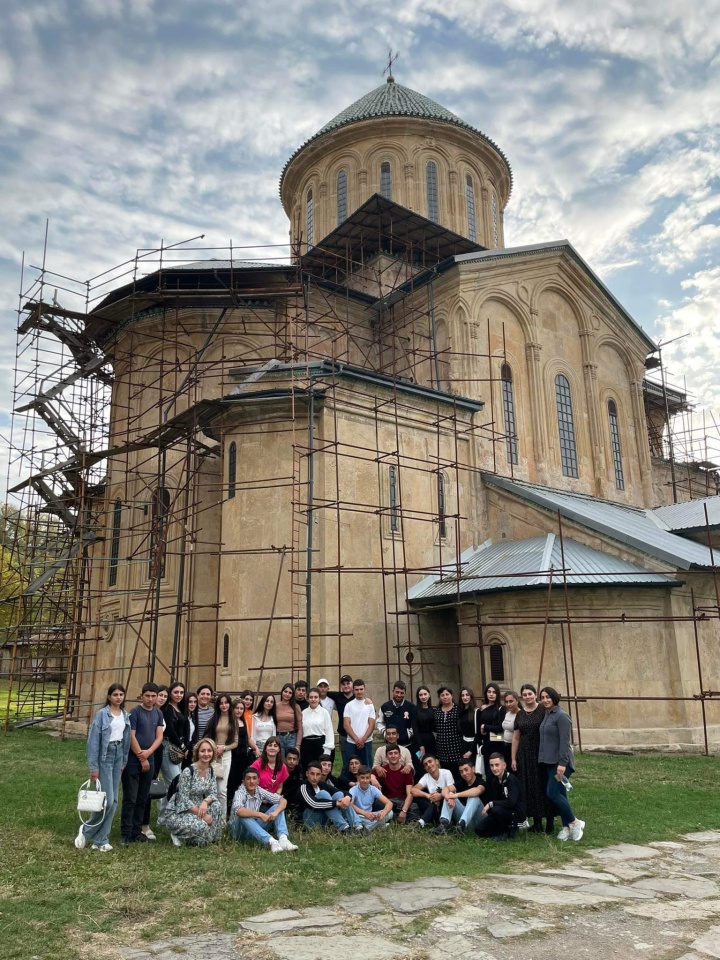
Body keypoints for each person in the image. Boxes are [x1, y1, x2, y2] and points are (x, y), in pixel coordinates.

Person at [75, 683, 130, 852]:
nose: (118, 697)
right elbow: (93, 743)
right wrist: (94, 767)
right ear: (109, 697)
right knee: (108, 800)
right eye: (115, 695)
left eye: (121, 694)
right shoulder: (102, 715)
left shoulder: (125, 715)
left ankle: (99, 839)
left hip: (118, 755)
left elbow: (126, 740)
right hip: (105, 757)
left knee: (113, 801)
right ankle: (88, 831)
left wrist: (123, 762)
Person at [120, 682, 164, 846]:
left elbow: (159, 736)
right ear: (142, 696)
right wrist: (141, 756)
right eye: (147, 696)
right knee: (130, 797)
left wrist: (149, 752)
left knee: (143, 797)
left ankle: (136, 831)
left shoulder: (158, 713)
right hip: (133, 760)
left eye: (153, 696)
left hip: (149, 757)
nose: (150, 699)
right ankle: (125, 833)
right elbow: (131, 736)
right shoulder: (135, 712)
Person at [539, 686, 585, 841]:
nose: (545, 700)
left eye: (548, 697)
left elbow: (565, 742)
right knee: (560, 793)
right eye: (542, 697)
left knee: (552, 793)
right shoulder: (547, 714)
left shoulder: (562, 716)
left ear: (554, 698)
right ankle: (566, 827)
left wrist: (562, 764)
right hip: (549, 761)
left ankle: (575, 822)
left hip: (559, 763)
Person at [162, 737, 224, 847]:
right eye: (203, 751)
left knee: (217, 805)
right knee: (202, 826)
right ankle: (178, 835)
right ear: (197, 753)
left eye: (209, 751)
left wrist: (205, 801)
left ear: (213, 753)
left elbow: (213, 793)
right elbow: (183, 801)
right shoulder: (188, 771)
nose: (206, 754)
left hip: (199, 806)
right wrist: (203, 816)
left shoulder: (211, 771)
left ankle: (209, 839)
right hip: (180, 812)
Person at [229, 768, 298, 852]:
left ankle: (283, 839)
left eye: (254, 778)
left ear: (258, 781)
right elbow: (239, 811)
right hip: (238, 833)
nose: (251, 781)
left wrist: (275, 813)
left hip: (254, 829)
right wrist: (260, 815)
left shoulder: (259, 790)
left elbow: (283, 801)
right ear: (243, 782)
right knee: (243, 815)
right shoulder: (239, 793)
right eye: (248, 778)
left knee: (277, 806)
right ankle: (271, 842)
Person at [157, 681, 190, 826]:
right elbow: (169, 729)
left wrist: (185, 746)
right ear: (170, 693)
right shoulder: (169, 709)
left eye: (181, 692)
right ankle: (166, 818)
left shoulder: (180, 708)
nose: (179, 695)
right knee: (175, 783)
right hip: (169, 748)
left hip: (177, 750)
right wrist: (183, 746)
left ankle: (164, 818)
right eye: (176, 692)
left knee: (171, 785)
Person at [474, 752, 526, 841]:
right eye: (492, 766)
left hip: (515, 813)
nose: (494, 768)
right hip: (500, 812)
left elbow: (511, 803)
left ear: (504, 765)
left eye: (497, 765)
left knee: (496, 809)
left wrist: (491, 804)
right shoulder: (495, 781)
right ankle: (500, 830)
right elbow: (496, 800)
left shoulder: (512, 780)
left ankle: (508, 830)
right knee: (479, 829)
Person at [297, 761, 358, 832]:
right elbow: (314, 804)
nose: (315, 777)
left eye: (318, 774)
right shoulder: (303, 787)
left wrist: (348, 797)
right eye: (312, 774)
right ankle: (343, 828)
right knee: (323, 794)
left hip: (323, 819)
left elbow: (340, 791)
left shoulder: (322, 784)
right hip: (308, 821)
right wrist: (336, 803)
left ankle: (358, 826)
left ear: (321, 775)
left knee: (339, 794)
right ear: (307, 774)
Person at [204, 693, 238, 815]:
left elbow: (236, 742)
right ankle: (210, 816)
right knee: (211, 788)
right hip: (211, 755)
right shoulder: (213, 719)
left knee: (222, 789)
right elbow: (206, 737)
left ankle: (222, 819)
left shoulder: (234, 720)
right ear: (218, 705)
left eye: (226, 703)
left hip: (226, 756)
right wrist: (213, 748)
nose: (224, 705)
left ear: (229, 704)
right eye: (221, 703)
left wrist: (223, 748)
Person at [141, 684, 168, 840]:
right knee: (141, 788)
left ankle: (144, 824)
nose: (160, 698)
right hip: (142, 751)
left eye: (164, 696)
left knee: (149, 786)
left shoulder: (160, 713)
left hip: (156, 752)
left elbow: (160, 736)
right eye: (160, 695)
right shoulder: (139, 712)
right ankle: (138, 823)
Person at [433, 758, 486, 834]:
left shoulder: (481, 782)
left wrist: (456, 795)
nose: (464, 773)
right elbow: (446, 789)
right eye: (461, 771)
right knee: (449, 794)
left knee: (474, 798)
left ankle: (461, 824)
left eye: (466, 770)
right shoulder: (462, 782)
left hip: (481, 821)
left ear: (473, 769)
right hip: (465, 824)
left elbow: (477, 791)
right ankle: (444, 824)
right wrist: (448, 797)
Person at [225, 697, 254, 817]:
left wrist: (256, 749)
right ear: (232, 709)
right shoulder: (229, 722)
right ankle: (228, 810)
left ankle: (239, 808)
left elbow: (248, 738)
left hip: (243, 757)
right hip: (232, 756)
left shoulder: (243, 721)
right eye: (236, 708)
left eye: (241, 708)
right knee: (230, 783)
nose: (239, 710)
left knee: (240, 783)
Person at [373, 744, 416, 823]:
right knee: (378, 803)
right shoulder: (382, 771)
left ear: (400, 756)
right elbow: (367, 775)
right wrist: (372, 777)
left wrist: (404, 810)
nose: (393, 756)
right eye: (390, 753)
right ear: (386, 757)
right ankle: (397, 818)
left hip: (402, 802)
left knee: (415, 807)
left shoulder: (406, 771)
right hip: (388, 802)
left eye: (396, 753)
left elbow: (410, 793)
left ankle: (393, 817)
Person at [410, 754, 454, 828]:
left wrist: (440, 796)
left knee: (447, 796)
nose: (429, 765)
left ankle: (421, 822)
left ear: (436, 761)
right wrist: (428, 796)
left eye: (430, 761)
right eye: (426, 764)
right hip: (435, 807)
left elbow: (452, 790)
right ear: (425, 768)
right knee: (419, 797)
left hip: (448, 806)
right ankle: (425, 822)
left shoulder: (446, 773)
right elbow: (413, 790)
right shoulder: (426, 777)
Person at [300, 687, 335, 768]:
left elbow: (329, 731)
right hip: (306, 746)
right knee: (307, 768)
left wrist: (327, 751)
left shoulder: (324, 713)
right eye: (311, 697)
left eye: (315, 697)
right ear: (307, 699)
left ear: (319, 699)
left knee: (320, 770)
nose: (313, 699)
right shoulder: (303, 713)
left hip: (320, 745)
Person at [343, 678, 375, 767]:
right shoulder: (349, 705)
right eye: (357, 689)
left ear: (364, 689)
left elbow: (372, 724)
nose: (359, 691)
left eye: (361, 689)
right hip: (352, 742)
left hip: (367, 741)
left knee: (367, 767)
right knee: (351, 768)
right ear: (353, 690)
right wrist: (357, 739)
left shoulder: (370, 705)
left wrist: (363, 739)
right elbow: (346, 725)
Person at [350, 766, 394, 831]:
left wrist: (382, 814)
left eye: (367, 778)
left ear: (370, 778)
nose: (365, 781)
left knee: (390, 812)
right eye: (362, 778)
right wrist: (365, 813)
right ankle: (377, 825)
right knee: (352, 817)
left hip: (371, 816)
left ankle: (368, 827)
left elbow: (389, 803)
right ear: (358, 778)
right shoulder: (353, 790)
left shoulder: (373, 789)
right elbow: (350, 804)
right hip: (359, 815)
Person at [433, 686, 463, 780]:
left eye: (447, 694)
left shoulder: (458, 709)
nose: (445, 697)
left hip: (456, 747)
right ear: (439, 697)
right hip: (442, 749)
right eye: (442, 695)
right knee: (446, 774)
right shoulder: (437, 711)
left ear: (451, 695)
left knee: (458, 774)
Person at [376, 680, 417, 750]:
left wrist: (408, 734)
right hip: (389, 747)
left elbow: (415, 724)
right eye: (397, 692)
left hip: (407, 746)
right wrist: (385, 733)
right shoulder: (385, 707)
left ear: (405, 693)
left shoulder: (411, 707)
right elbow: (379, 722)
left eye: (402, 693)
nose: (399, 695)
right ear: (393, 691)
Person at [478, 683, 505, 778]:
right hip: (486, 743)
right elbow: (479, 725)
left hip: (498, 743)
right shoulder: (482, 708)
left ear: (497, 694)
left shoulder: (501, 709)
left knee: (499, 772)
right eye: (489, 692)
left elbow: (500, 727)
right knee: (488, 772)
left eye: (494, 692)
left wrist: (485, 726)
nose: (491, 694)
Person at [276, 683, 303, 755]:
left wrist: (298, 745)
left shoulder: (296, 707)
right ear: (282, 692)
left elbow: (300, 728)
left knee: (291, 759)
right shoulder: (276, 706)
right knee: (280, 760)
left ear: (292, 695)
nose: (287, 694)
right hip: (279, 737)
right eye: (285, 691)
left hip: (291, 737)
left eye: (290, 693)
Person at [458, 686, 479, 765]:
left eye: (467, 695)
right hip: (464, 745)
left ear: (471, 697)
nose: (465, 697)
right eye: (462, 695)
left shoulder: (476, 712)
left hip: (473, 746)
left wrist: (471, 751)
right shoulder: (461, 712)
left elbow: (478, 733)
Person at [283, 747, 305, 821]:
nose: (292, 761)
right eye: (289, 758)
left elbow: (301, 785)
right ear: (285, 759)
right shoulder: (280, 769)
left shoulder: (299, 769)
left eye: (294, 759)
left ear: (297, 760)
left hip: (295, 798)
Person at [415, 686, 435, 763]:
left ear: (429, 695)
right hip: (418, 742)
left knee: (431, 764)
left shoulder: (433, 710)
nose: (423, 697)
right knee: (420, 763)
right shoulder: (414, 710)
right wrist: (421, 746)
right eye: (420, 695)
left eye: (425, 694)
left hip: (430, 741)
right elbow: (415, 729)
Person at [502, 690, 520, 766]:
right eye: (506, 702)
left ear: (517, 701)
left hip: (515, 747)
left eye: (511, 701)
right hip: (505, 745)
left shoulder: (520, 714)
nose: (508, 704)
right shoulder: (507, 714)